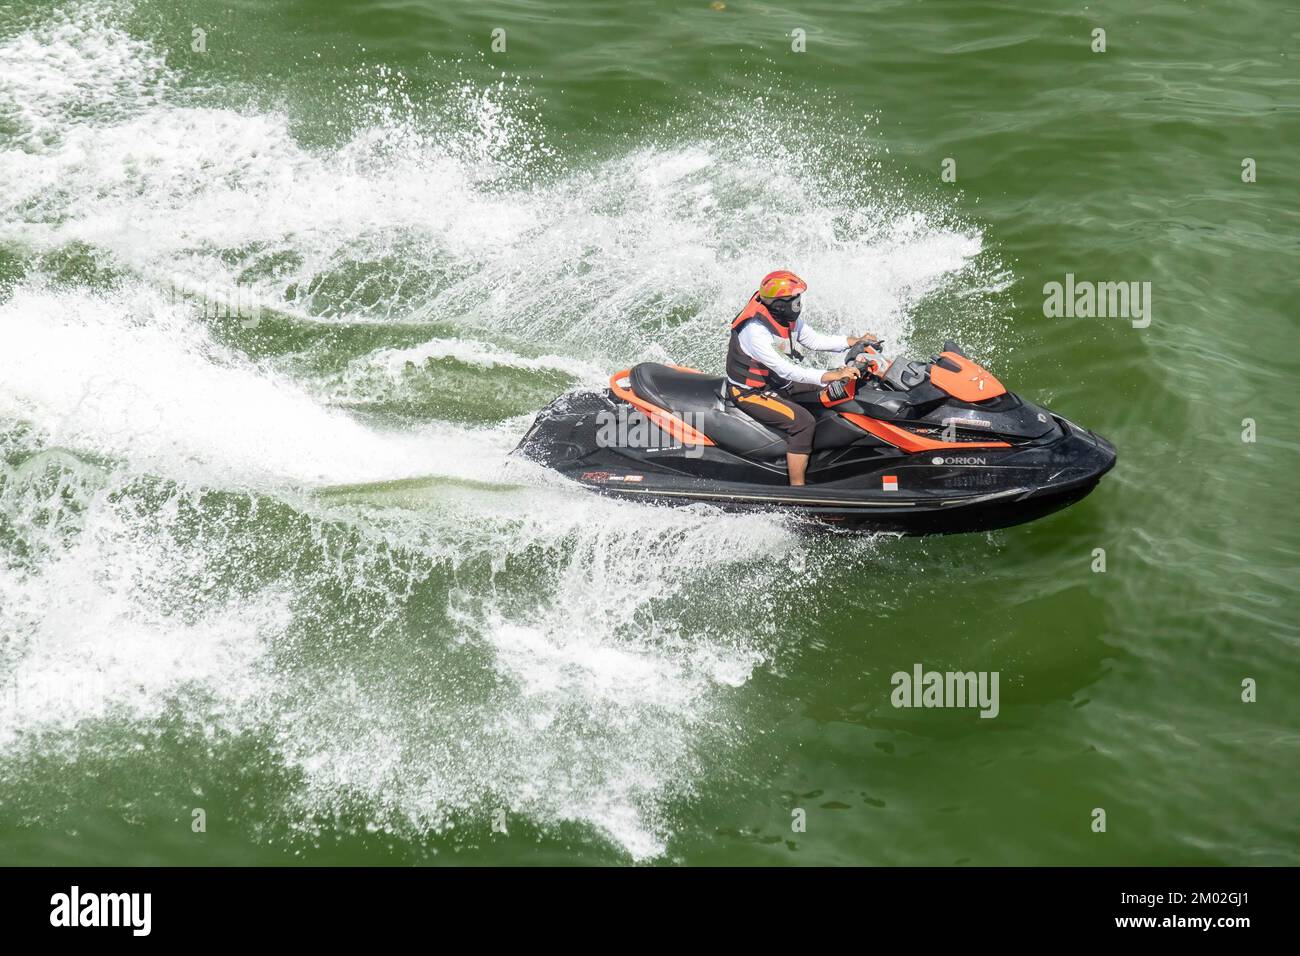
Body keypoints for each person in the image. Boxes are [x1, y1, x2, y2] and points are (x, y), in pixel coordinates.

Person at [726, 270, 879, 486]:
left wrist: (855, 341)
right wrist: (832, 374)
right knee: (803, 423)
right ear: (780, 304)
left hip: (776, 382)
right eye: (794, 300)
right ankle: (798, 489)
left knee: (836, 393)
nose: (798, 304)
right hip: (751, 393)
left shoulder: (783, 317)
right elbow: (786, 369)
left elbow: (815, 340)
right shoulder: (755, 330)